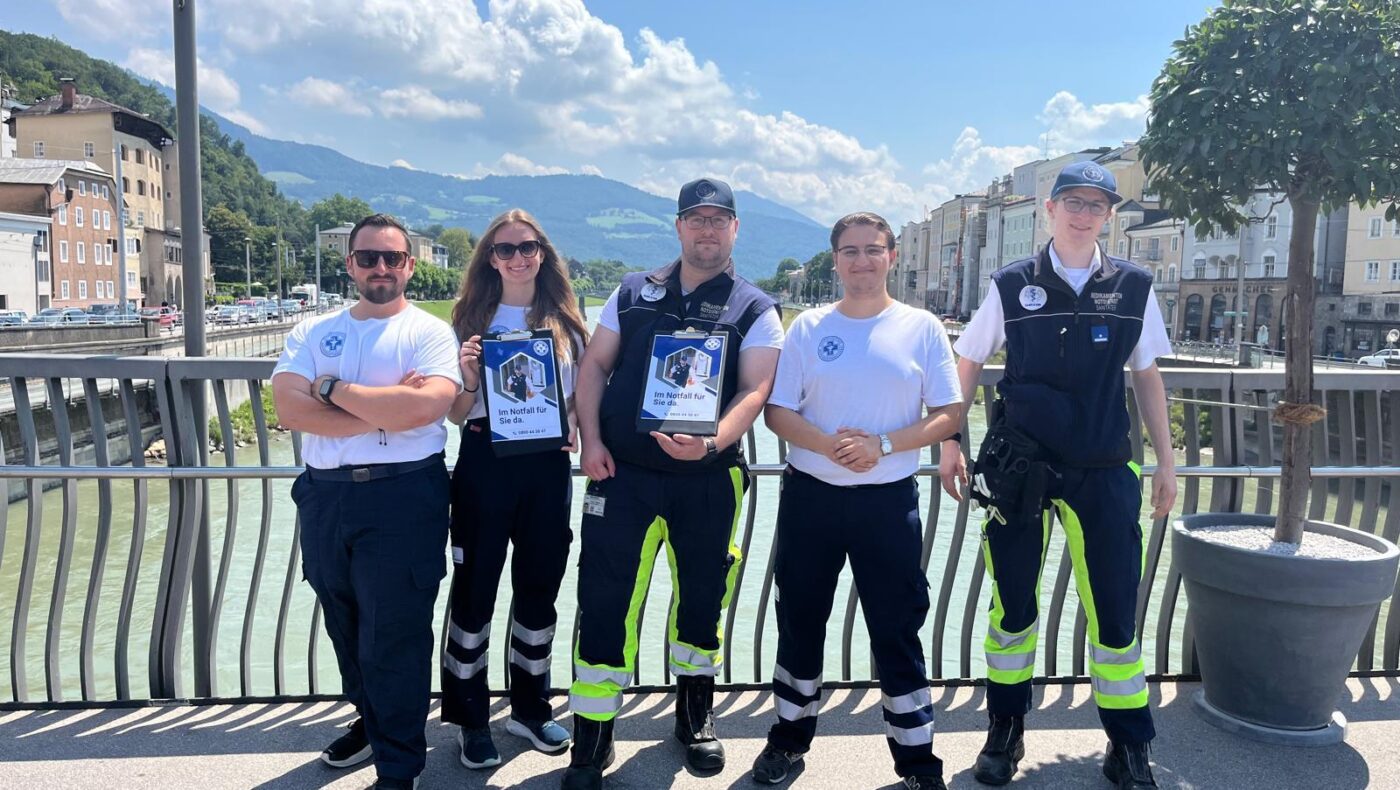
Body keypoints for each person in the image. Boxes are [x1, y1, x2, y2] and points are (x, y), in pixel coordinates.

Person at [938, 161, 1177, 789]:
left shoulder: (1134, 286)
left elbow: (1148, 376)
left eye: (1096, 206)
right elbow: (967, 361)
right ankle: (1005, 732)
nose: (1083, 214)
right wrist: (949, 441)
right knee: (1013, 607)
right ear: (1050, 208)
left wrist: (1168, 461)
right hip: (1022, 468)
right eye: (1072, 201)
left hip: (1104, 468)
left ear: (1108, 217)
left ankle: (1128, 746)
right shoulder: (1013, 283)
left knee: (1117, 615)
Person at [563, 177, 784, 789]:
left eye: (720, 219)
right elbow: (594, 367)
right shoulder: (633, 292)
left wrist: (712, 442)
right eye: (696, 218)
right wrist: (593, 440)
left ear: (735, 229)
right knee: (605, 601)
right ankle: (593, 736)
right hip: (622, 473)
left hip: (708, 478)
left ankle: (694, 720)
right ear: (679, 225)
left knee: (701, 600)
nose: (707, 229)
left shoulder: (755, 307)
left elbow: (756, 389)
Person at [753, 212, 962, 790]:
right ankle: (788, 741)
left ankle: (918, 763)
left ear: (893, 256)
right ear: (835, 259)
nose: (861, 261)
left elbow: (949, 413)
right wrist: (832, 447)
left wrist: (885, 445)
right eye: (849, 251)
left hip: (887, 501)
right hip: (811, 499)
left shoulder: (921, 327)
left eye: (873, 250)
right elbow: (777, 411)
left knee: (896, 629)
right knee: (800, 622)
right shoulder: (808, 327)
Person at [271, 213, 461, 790]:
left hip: (404, 494)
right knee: (345, 623)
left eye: (392, 258)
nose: (381, 267)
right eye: (368, 257)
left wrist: (330, 390)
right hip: (325, 498)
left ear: (410, 265)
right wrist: (383, 403)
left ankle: (400, 768)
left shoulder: (430, 333)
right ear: (349, 264)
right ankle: (371, 722)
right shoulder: (312, 330)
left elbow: (424, 411)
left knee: (395, 634)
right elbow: (288, 410)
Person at [441, 209, 589, 770]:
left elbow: (580, 399)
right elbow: (455, 412)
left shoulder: (568, 322)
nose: (518, 257)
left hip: (547, 466)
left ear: (543, 253)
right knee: (474, 590)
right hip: (484, 459)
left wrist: (575, 420)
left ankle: (530, 708)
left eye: (528, 247)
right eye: (504, 249)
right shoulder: (467, 319)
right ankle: (469, 718)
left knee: (539, 588)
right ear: (490, 259)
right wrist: (471, 378)